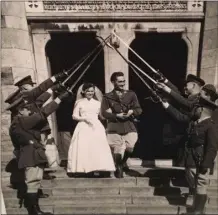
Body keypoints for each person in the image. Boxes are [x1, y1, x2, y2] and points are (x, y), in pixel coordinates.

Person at [9, 89, 71, 215]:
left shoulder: (19, 121)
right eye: (27, 109)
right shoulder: (21, 120)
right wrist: (59, 98)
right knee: (32, 182)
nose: (30, 111)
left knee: (35, 182)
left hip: (34, 155)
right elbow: (43, 113)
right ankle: (34, 211)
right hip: (30, 156)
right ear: (20, 110)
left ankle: (36, 209)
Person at [160, 91, 218, 214]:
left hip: (201, 161)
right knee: (193, 183)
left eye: (197, 108)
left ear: (201, 110)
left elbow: (212, 148)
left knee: (201, 185)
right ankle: (195, 208)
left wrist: (206, 164)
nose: (194, 110)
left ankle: (198, 211)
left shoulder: (210, 126)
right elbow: (180, 117)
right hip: (190, 159)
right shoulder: (195, 122)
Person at [67, 83, 115, 176]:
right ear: (84, 92)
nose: (90, 93)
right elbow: (74, 116)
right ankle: (83, 169)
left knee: (97, 147)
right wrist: (84, 118)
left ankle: (99, 168)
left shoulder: (98, 103)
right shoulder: (79, 102)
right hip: (83, 126)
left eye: (92, 91)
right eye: (88, 91)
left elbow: (101, 116)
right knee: (84, 147)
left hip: (96, 126)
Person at [101, 72, 142, 178]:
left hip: (129, 125)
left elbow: (139, 109)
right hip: (114, 126)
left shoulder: (131, 94)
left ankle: (123, 162)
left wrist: (132, 111)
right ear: (113, 82)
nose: (122, 83)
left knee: (130, 147)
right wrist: (116, 116)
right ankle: (118, 166)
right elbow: (104, 113)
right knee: (117, 149)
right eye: (120, 81)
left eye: (123, 81)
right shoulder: (107, 96)